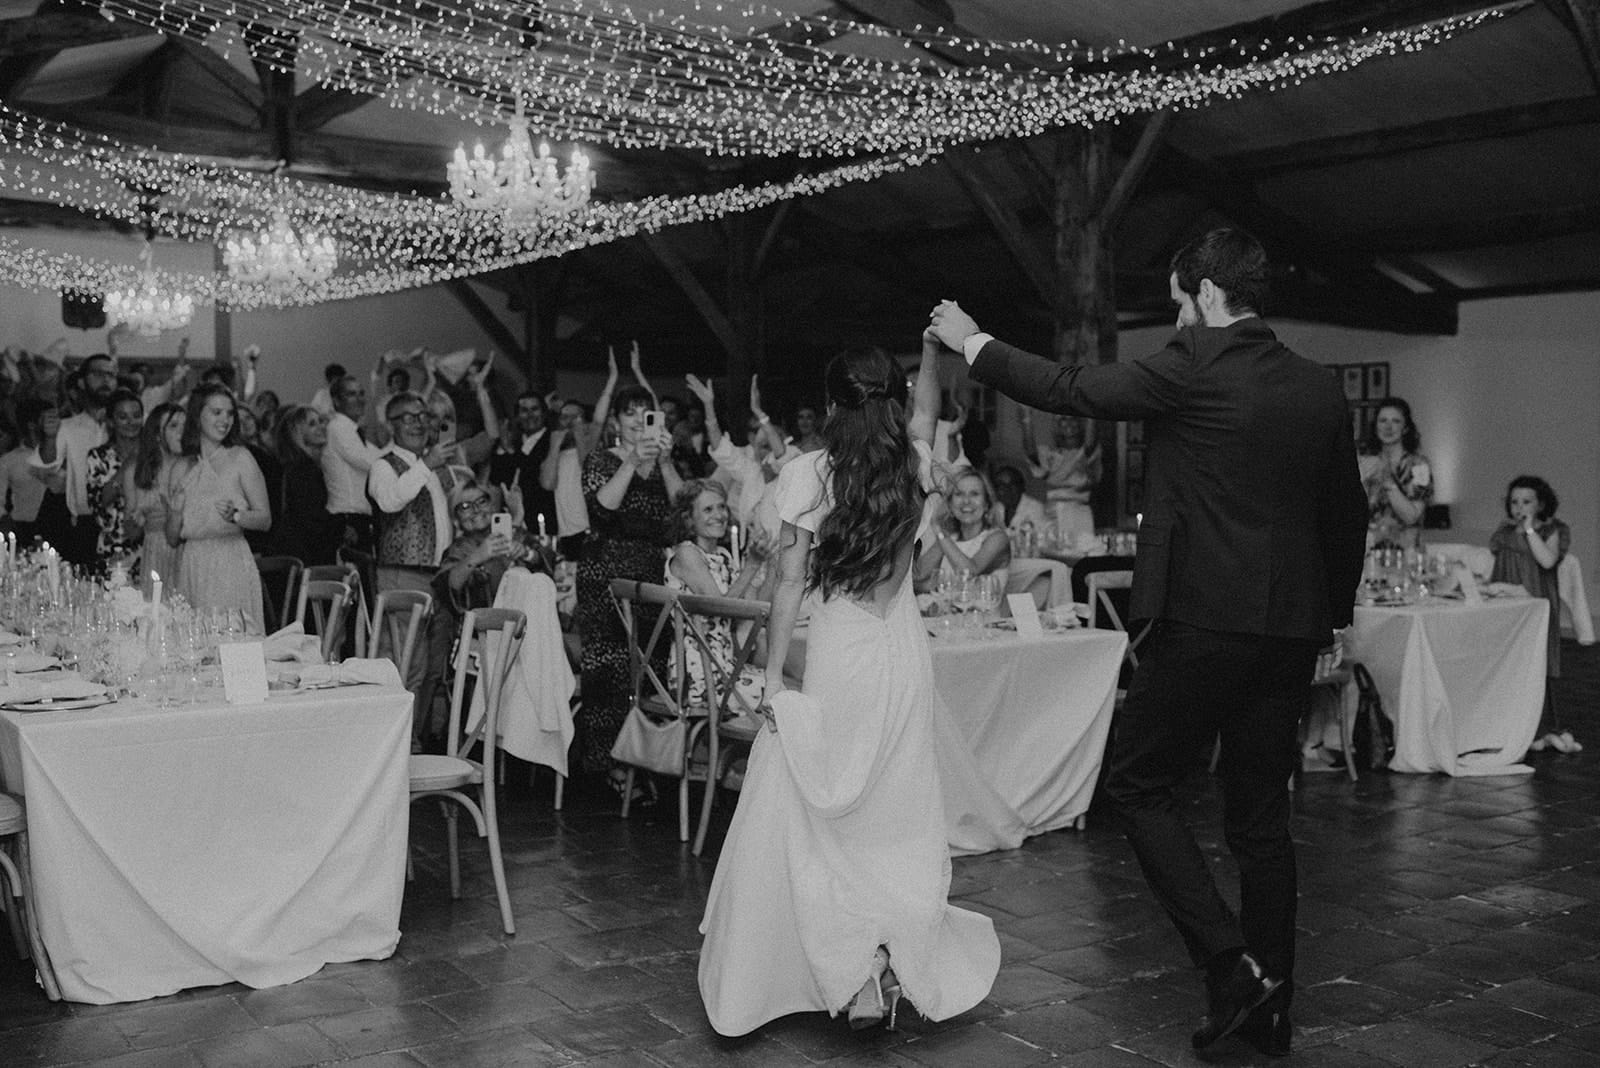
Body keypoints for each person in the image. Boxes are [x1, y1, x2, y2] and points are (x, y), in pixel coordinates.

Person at [929, 227, 1368, 1057]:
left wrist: (971, 341)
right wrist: (1330, 616)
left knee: (1135, 784)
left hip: (1202, 620)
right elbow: (1346, 514)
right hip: (1288, 628)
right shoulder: (1318, 386)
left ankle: (1229, 965)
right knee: (1261, 821)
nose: (1177, 317)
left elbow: (1068, 388)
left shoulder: (1191, 363)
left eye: (1178, 302)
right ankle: (1271, 1006)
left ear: (1207, 293)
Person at [699, 343, 1000, 1037]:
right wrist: (930, 351)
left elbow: (789, 584)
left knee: (832, 814)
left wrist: (774, 677)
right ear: (893, 400)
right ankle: (885, 951)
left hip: (841, 652)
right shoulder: (913, 463)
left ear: (832, 405)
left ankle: (858, 966)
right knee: (897, 809)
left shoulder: (808, 473)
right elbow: (927, 412)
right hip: (902, 650)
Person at [575, 382, 681, 795]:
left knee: (651, 668)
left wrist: (665, 464)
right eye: (630, 412)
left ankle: (645, 761)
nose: (639, 420)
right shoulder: (601, 459)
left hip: (652, 575)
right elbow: (602, 508)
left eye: (645, 412)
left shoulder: (665, 463)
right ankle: (611, 766)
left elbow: (684, 512)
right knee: (611, 670)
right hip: (606, 575)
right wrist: (633, 460)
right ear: (616, 423)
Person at [369, 391, 462, 743]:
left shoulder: (433, 467)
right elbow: (390, 501)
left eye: (423, 416)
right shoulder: (383, 465)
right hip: (402, 574)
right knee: (403, 665)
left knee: (430, 669)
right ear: (391, 426)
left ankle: (415, 744)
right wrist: (427, 465)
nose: (419, 423)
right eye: (409, 418)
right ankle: (393, 745)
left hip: (436, 577)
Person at [167, 384, 270, 633]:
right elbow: (172, 539)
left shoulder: (241, 458)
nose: (225, 420)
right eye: (216, 412)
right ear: (197, 415)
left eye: (229, 413)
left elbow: (265, 519)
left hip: (230, 560)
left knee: (232, 638)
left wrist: (237, 516)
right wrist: (177, 512)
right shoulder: (182, 467)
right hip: (193, 562)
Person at [1490, 475, 1576, 754]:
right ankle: (1508, 724)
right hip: (1508, 604)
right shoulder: (1505, 533)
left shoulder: (1551, 531)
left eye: (1526, 502)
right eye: (1514, 502)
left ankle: (1541, 725)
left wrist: (1529, 531)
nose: (1519, 507)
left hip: (1537, 602)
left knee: (1537, 662)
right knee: (1509, 662)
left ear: (1540, 504)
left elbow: (1547, 561)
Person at [665, 478, 769, 704]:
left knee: (787, 688)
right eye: (708, 509)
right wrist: (751, 566)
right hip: (698, 673)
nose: (719, 515)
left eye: (722, 506)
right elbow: (718, 607)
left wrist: (762, 567)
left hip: (726, 666)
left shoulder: (723, 555)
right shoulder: (687, 554)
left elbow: (749, 610)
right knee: (781, 699)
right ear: (689, 519)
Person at [913, 466, 1010, 595]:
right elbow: (918, 575)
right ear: (950, 504)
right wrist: (926, 587)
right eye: (959, 494)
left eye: (974, 494)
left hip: (982, 609)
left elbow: (969, 572)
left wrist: (939, 530)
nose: (966, 501)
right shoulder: (949, 538)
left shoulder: (998, 538)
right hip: (946, 608)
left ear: (987, 503)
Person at [123, 402, 185, 599]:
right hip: (156, 552)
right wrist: (137, 519)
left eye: (185, 425)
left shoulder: (193, 467)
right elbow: (130, 532)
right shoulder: (138, 471)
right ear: (157, 434)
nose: (182, 432)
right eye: (173, 426)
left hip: (187, 553)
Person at [265, 405, 338, 567]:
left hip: (299, 551)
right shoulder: (303, 469)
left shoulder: (299, 466)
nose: (321, 427)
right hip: (302, 555)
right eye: (312, 424)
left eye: (320, 421)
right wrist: (340, 525)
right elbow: (310, 518)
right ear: (297, 433)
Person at [1358, 398, 1432, 549]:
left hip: (1406, 553)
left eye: (1396, 421)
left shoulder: (1419, 465)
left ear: (1405, 428)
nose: (1388, 427)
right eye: (1383, 421)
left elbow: (1411, 516)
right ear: (1375, 426)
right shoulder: (1365, 463)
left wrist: (1387, 480)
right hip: (1368, 551)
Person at [84, 389, 144, 571]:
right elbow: (99, 501)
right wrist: (128, 465)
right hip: (113, 547)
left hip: (148, 545)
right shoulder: (98, 457)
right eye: (123, 417)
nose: (131, 422)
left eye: (136, 416)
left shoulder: (152, 454)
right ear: (111, 421)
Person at [322, 374, 380, 553]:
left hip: (358, 516)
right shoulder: (339, 428)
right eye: (351, 394)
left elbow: (380, 457)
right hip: (348, 518)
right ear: (337, 401)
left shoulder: (353, 431)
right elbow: (372, 463)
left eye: (361, 393)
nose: (360, 399)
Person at [1022, 410, 1101, 542]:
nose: (1069, 423)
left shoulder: (1086, 454)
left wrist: (1091, 411)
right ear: (1057, 424)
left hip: (1078, 514)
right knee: (1053, 551)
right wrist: (1026, 417)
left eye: (1073, 419)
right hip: (1052, 514)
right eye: (1064, 419)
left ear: (1081, 423)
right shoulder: (1050, 455)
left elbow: (1090, 446)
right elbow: (1031, 454)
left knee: (1081, 551)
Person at [0, 407, 44, 548]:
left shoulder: (61, 454)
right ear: (32, 425)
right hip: (23, 528)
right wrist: (4, 519)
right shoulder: (10, 460)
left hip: (58, 524)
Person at [991, 464, 1047, 538]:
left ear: (1021, 486)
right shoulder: (997, 508)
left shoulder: (1035, 508)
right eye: (1001, 486)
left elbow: (1041, 538)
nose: (1007, 490)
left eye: (1012, 484)